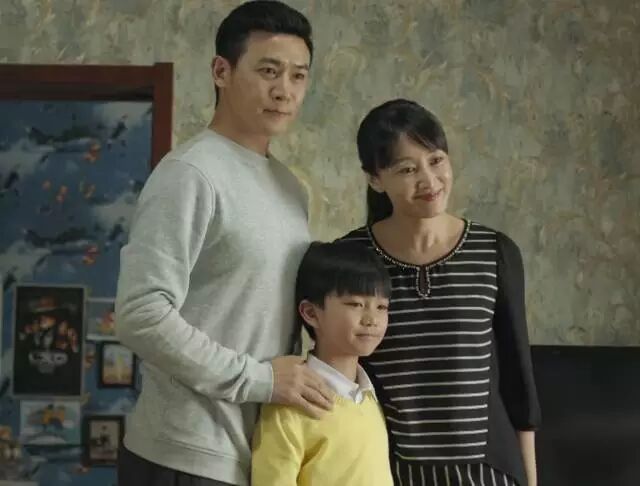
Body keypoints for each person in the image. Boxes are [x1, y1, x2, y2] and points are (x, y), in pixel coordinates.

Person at [114, 2, 334, 485]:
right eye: (268, 71)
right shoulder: (191, 172)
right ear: (221, 72)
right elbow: (140, 313)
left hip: (257, 453)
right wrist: (261, 380)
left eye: (298, 76)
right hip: (183, 454)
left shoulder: (290, 188)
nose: (285, 90)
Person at [340, 99, 541, 486]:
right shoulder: (351, 258)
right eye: (407, 169)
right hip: (390, 472)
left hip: (488, 473)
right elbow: (339, 371)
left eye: (436, 161)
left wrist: (530, 480)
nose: (429, 181)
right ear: (375, 179)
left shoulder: (494, 252)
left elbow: (519, 383)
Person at [251, 241, 395, 486]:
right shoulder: (291, 404)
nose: (372, 319)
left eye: (382, 307)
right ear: (311, 313)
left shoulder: (371, 399)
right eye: (355, 304)